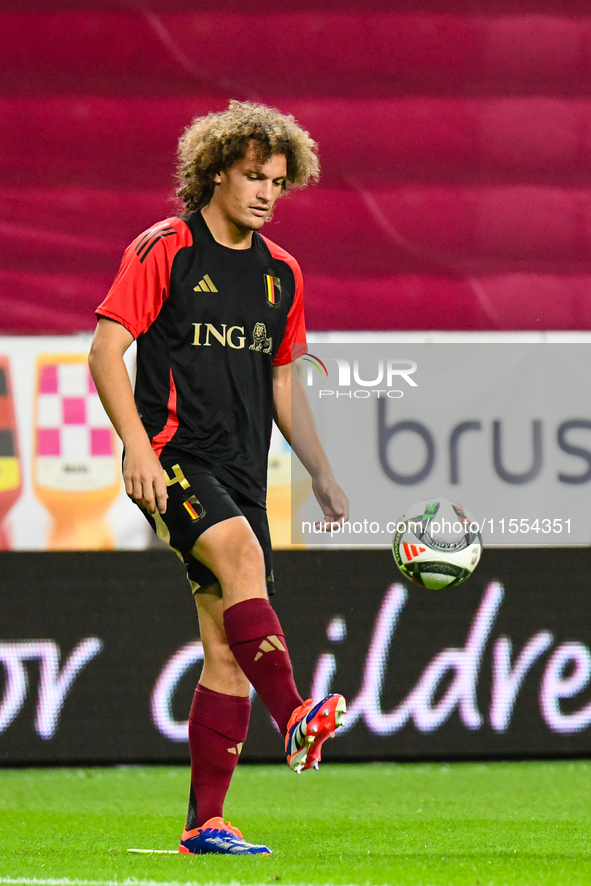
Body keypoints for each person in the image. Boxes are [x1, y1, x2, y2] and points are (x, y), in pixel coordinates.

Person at [88, 100, 348, 856]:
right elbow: (107, 353)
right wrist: (135, 448)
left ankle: (205, 822)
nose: (266, 193)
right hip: (171, 456)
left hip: (240, 468)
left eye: (277, 180)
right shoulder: (166, 248)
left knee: (225, 642)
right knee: (239, 561)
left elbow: (281, 385)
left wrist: (321, 473)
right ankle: (296, 713)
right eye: (252, 177)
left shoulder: (280, 274)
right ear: (214, 173)